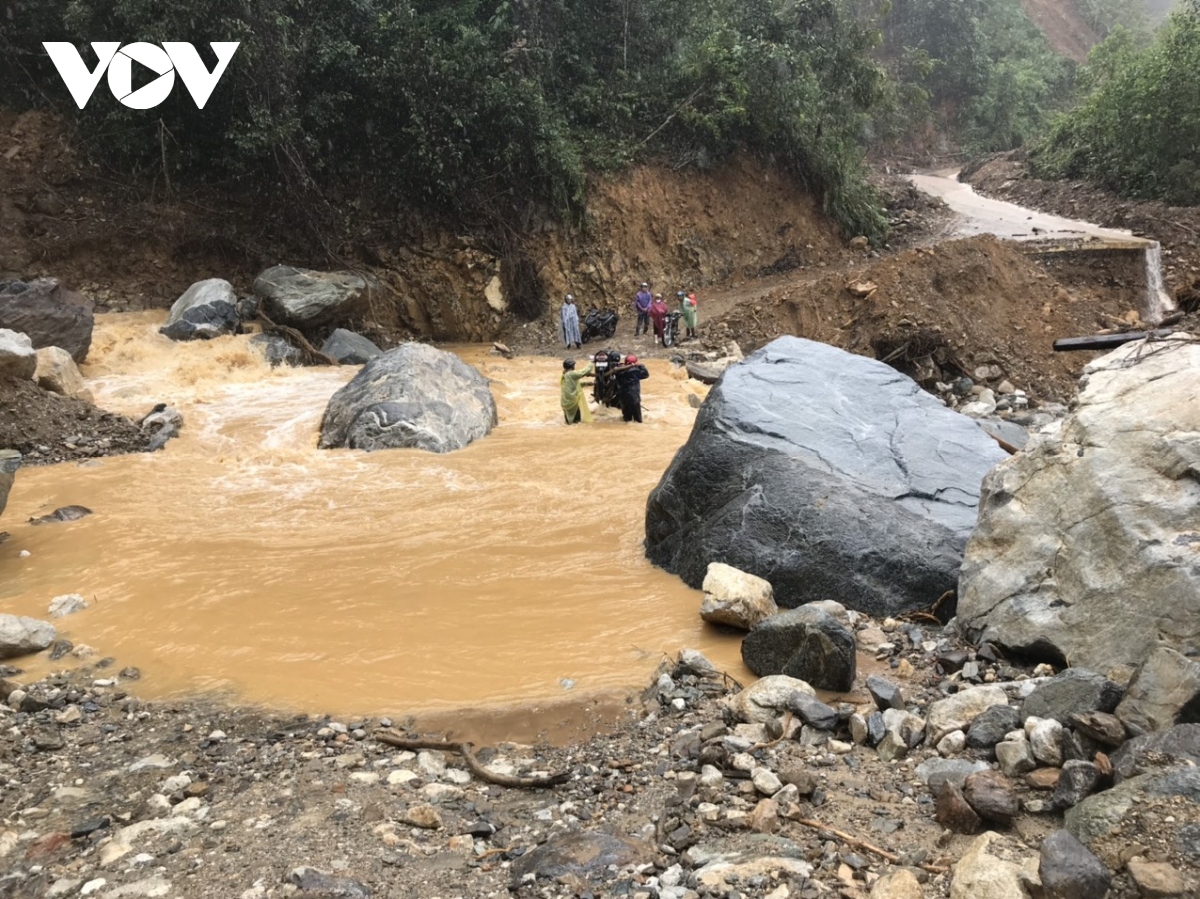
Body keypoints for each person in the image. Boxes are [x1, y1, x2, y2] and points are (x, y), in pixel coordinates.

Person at [612, 354, 650, 423]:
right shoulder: (635, 371)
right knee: (638, 420)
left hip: (623, 398)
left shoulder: (619, 371)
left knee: (626, 419)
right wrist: (641, 366)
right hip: (634, 398)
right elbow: (646, 374)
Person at [560, 358, 595, 425]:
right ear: (572, 366)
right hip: (572, 402)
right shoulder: (571, 374)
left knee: (568, 422)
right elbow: (584, 372)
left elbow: (572, 385)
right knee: (576, 422)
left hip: (565, 402)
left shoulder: (564, 375)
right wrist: (591, 362)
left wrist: (586, 384)